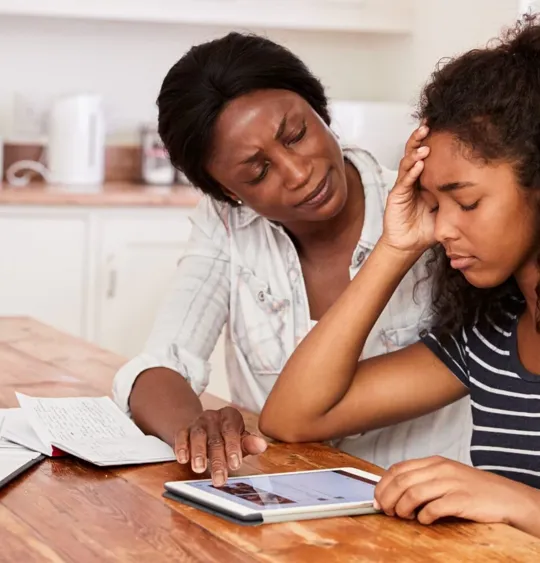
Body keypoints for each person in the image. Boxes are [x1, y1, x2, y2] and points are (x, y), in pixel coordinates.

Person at [112, 32, 471, 486]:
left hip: (419, 515)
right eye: (258, 171)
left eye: (297, 135)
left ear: (321, 111)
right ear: (228, 192)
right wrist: (194, 428)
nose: (300, 173)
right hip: (284, 507)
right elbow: (162, 363)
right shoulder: (227, 225)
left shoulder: (427, 211)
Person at [259, 16, 540, 537]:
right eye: (434, 205)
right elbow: (293, 417)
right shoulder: (490, 337)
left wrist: (519, 503)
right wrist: (395, 247)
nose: (444, 228)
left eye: (467, 200)